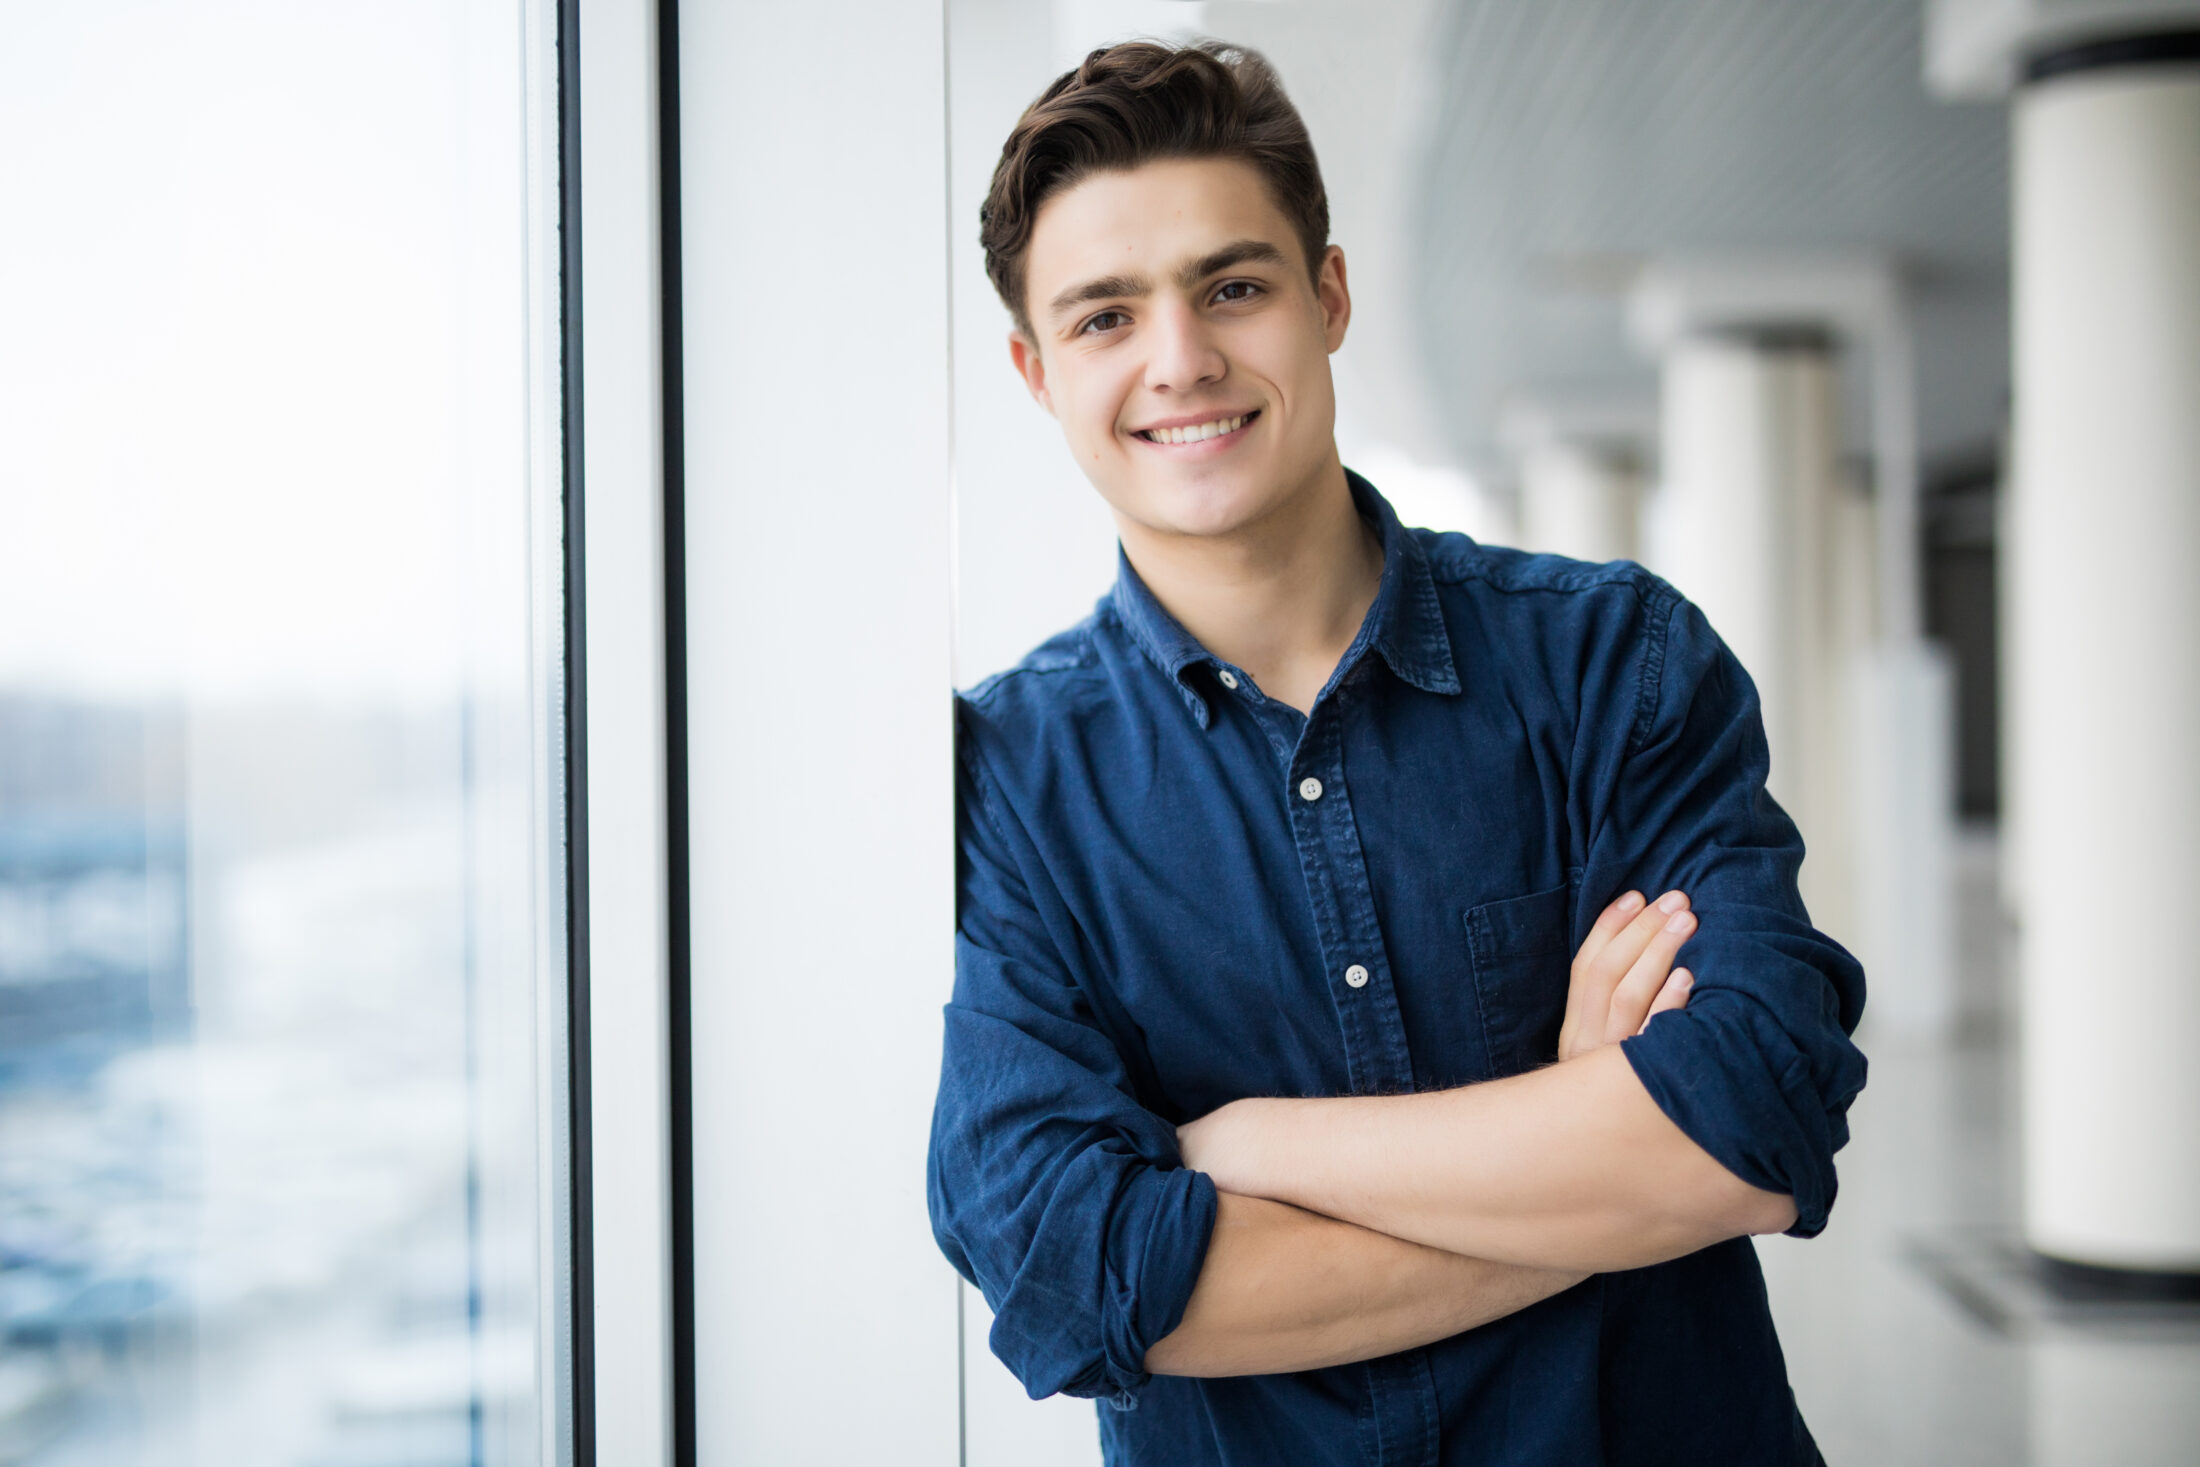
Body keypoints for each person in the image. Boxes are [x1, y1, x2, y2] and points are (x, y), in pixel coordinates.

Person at [926, 39, 1866, 1467]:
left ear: (1332, 297)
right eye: (1106, 317)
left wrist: (1243, 1145)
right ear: (1035, 371)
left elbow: (1754, 1111)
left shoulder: (1610, 662)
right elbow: (1077, 1268)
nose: (1180, 359)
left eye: (1232, 286)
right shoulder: (1006, 781)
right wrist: (1581, 1142)